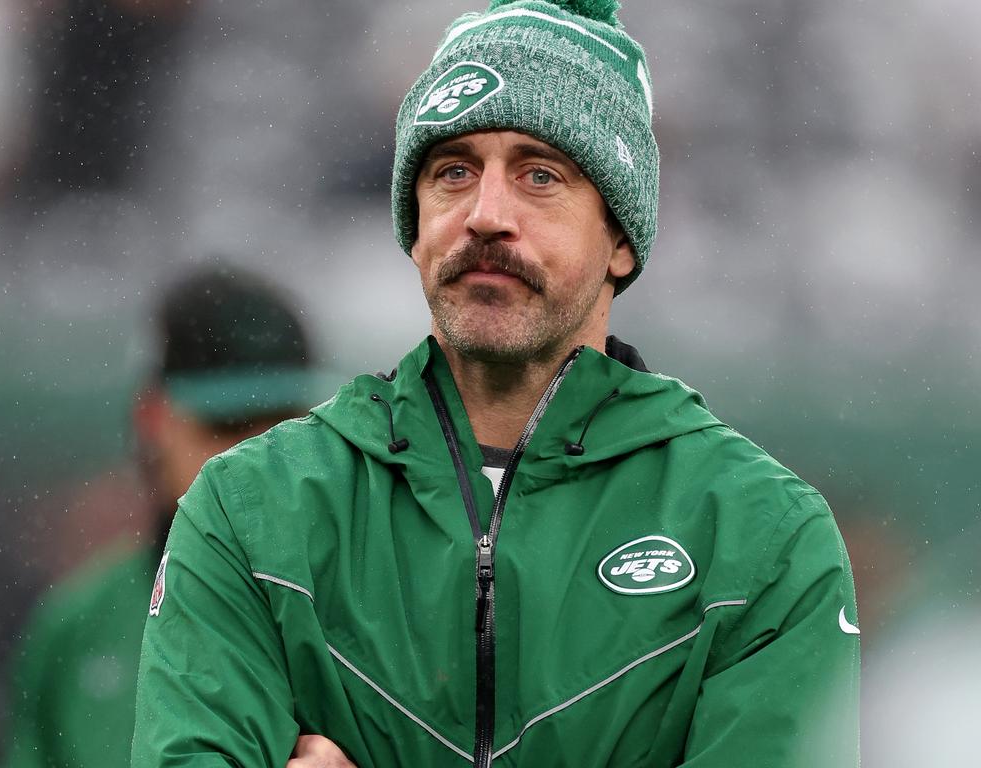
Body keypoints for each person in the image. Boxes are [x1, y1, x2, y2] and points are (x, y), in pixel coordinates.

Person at [133, 2, 860, 766]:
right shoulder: (249, 515)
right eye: (452, 171)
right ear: (414, 223)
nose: (486, 214)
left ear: (619, 237)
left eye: (539, 174)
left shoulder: (760, 541)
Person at [2, 264, 320, 768]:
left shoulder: (387, 616)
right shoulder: (75, 632)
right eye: (227, 426)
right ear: (151, 418)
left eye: (286, 426)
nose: (259, 460)